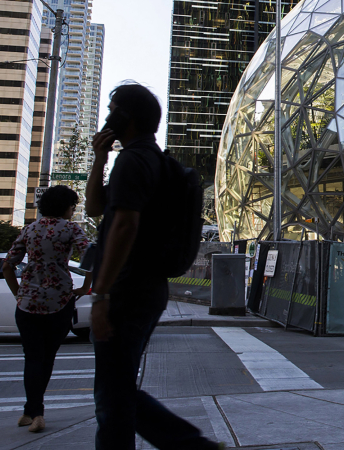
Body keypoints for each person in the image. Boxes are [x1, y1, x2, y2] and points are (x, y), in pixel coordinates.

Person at [85, 83, 222, 450]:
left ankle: (193, 445)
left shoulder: (133, 161)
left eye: (112, 108)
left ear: (124, 118)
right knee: (117, 390)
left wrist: (102, 295)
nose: (107, 114)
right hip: (148, 288)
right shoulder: (153, 160)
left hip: (127, 288)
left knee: (113, 397)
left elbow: (124, 225)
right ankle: (191, 445)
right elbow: (95, 209)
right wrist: (100, 158)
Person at [2, 185, 91, 433]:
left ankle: (31, 411)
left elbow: (8, 266)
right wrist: (86, 286)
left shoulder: (30, 229)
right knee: (47, 357)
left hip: (28, 303)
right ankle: (36, 413)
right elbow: (92, 258)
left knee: (32, 357)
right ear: (66, 207)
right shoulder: (71, 229)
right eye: (73, 206)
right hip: (59, 302)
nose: (73, 211)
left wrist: (19, 294)